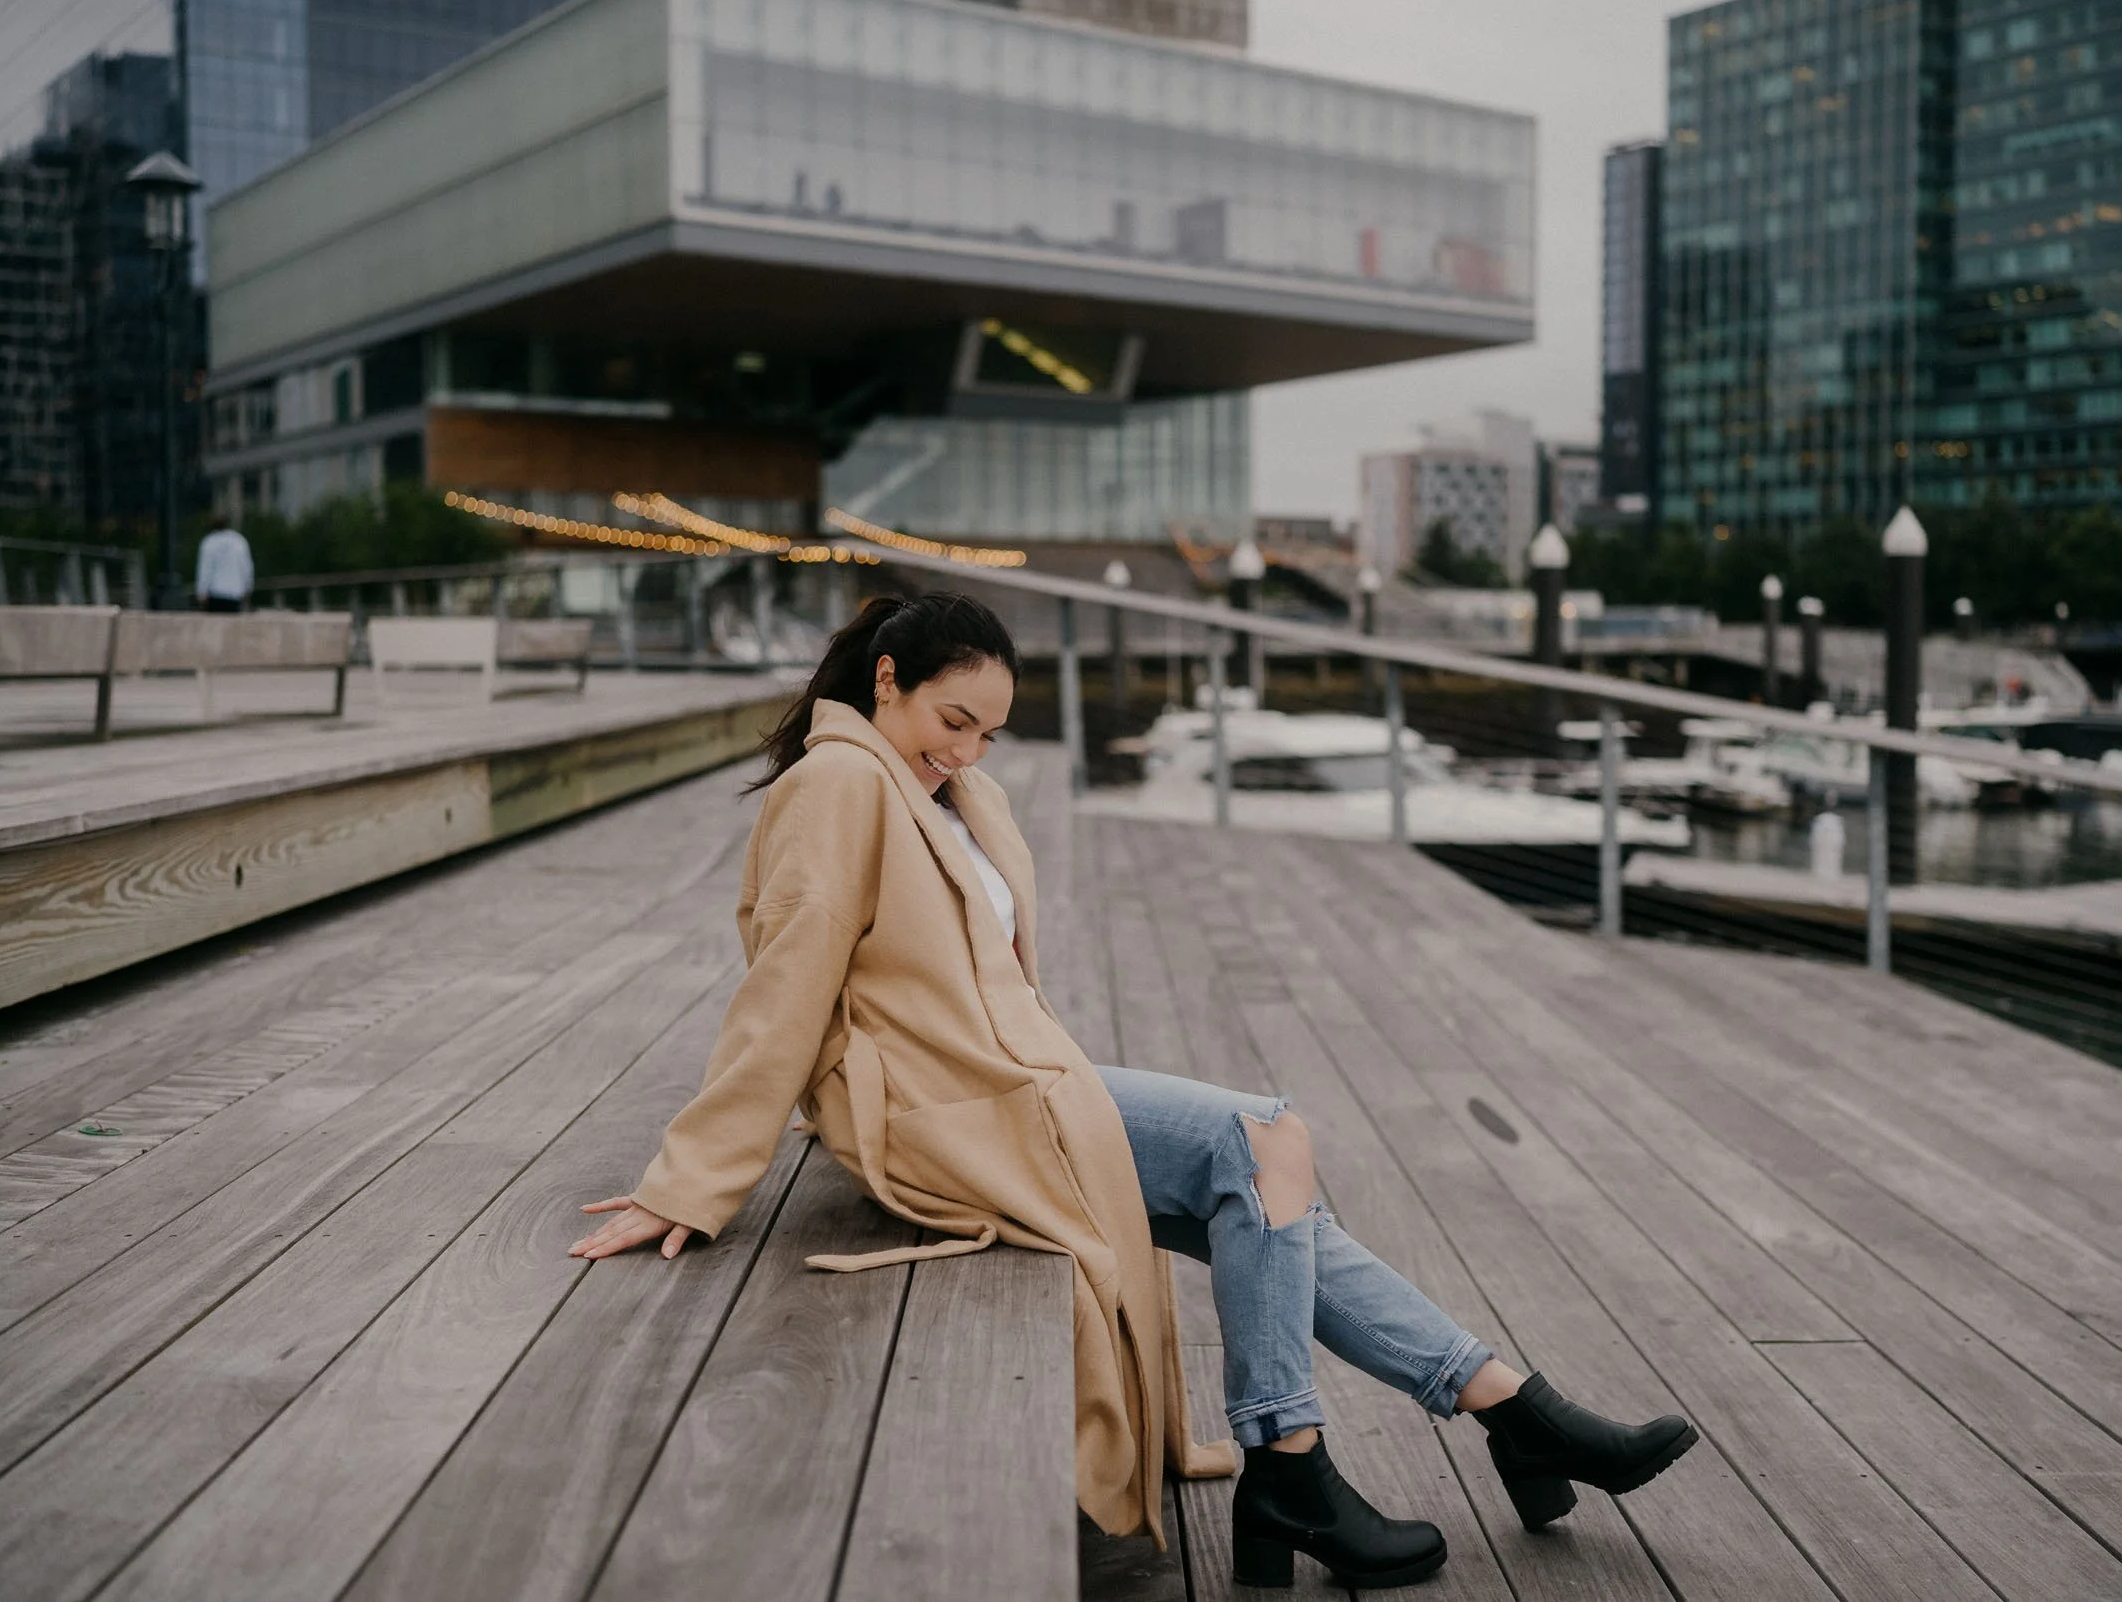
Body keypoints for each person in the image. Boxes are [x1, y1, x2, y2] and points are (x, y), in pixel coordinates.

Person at [570, 593, 1696, 1589]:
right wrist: (695, 1177)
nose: (963, 750)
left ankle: (1475, 1420)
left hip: (1010, 1083)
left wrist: (962, 781)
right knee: (1265, 1140)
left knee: (1267, 1179)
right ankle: (1385, 1447)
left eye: (988, 731)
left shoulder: (957, 793)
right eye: (948, 720)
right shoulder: (838, 783)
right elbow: (787, 981)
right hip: (935, 1109)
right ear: (885, 682)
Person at [193, 514, 253, 613]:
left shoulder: (209, 542)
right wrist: (248, 589)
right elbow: (246, 567)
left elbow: (205, 569)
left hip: (215, 593)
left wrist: (201, 592)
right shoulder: (238, 541)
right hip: (235, 592)